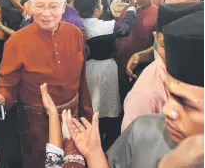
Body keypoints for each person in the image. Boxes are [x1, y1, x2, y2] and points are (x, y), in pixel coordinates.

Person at [65, 11, 204, 168]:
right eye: (170, 95)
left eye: (187, 104)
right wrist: (94, 155)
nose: (167, 109)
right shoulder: (144, 132)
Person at [0, 0, 93, 168]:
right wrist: (1, 99)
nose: (46, 13)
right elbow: (6, 85)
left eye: (53, 6)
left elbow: (82, 80)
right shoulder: (16, 41)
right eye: (39, 6)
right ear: (30, 6)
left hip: (72, 119)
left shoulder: (74, 34)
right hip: (35, 124)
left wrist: (86, 115)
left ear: (64, 7)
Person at [122, 2, 204, 132]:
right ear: (157, 38)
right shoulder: (146, 95)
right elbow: (133, 146)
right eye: (167, 46)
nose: (178, 55)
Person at [74, 0, 136, 150]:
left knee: (90, 101)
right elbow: (126, 28)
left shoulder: (75, 26)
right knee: (106, 102)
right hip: (105, 69)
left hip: (85, 68)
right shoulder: (106, 26)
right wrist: (131, 9)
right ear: (96, 10)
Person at [126, 0, 204, 79]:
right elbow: (161, 48)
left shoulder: (200, 32)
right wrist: (142, 56)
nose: (168, 0)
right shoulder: (166, 15)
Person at [116, 0, 158, 103]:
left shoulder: (157, 13)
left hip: (140, 70)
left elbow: (158, 45)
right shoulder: (128, 8)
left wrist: (141, 57)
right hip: (119, 65)